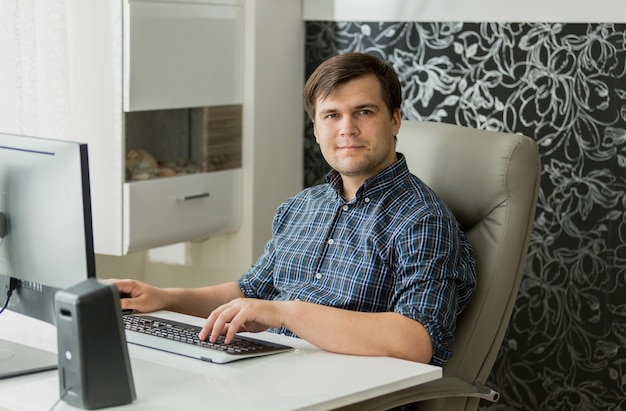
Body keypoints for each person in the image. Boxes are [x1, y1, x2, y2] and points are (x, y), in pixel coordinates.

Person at [114, 52, 476, 367]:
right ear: (316, 129)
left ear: (395, 120)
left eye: (364, 112)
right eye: (331, 115)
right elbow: (249, 291)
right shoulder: (302, 206)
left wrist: (286, 312)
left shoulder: (422, 219)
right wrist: (165, 297)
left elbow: (416, 341)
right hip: (273, 370)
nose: (347, 129)